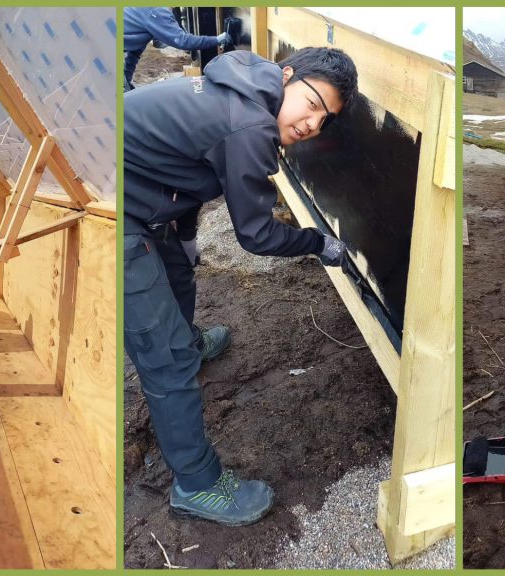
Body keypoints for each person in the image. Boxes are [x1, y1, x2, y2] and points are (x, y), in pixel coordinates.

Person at [124, 46, 357, 526]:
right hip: (110, 212)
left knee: (179, 270)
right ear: (287, 75)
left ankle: (188, 340)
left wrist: (184, 238)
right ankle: (197, 484)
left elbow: (182, 163)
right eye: (312, 104)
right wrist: (319, 244)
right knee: (166, 360)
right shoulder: (250, 126)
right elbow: (256, 235)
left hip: (140, 191)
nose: (313, 124)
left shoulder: (239, 87)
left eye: (325, 119)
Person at [123, 7, 230, 91]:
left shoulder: (143, 22)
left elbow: (133, 54)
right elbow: (183, 41)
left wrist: (126, 81)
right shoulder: (157, 11)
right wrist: (217, 40)